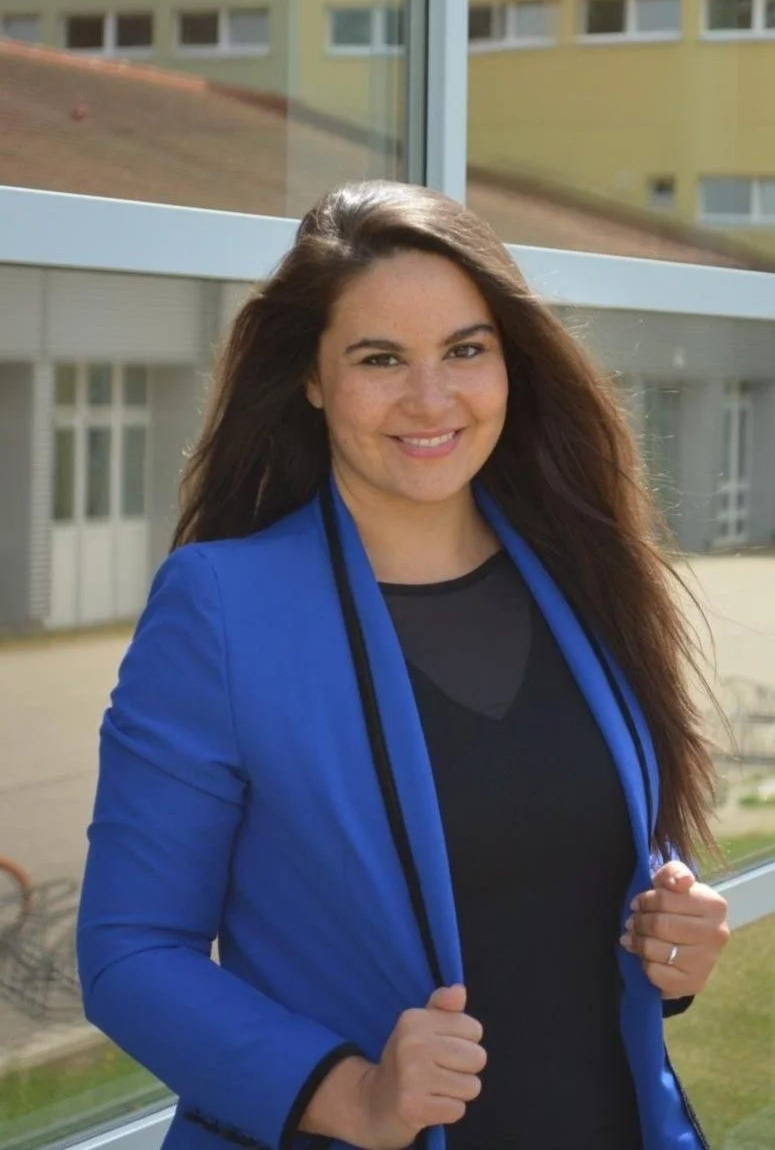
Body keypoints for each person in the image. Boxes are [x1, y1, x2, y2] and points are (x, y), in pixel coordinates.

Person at [77, 180, 730, 1150]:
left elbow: (535, 838)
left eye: (465, 351)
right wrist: (354, 1095)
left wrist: (669, 933)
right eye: (380, 359)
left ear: (511, 362)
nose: (432, 399)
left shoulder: (579, 573)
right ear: (310, 378)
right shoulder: (223, 607)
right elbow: (129, 952)